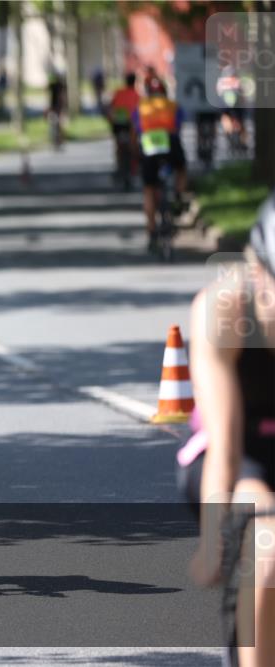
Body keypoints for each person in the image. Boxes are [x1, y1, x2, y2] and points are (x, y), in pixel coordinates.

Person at [178, 195, 275, 667]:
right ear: (258, 273)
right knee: (268, 545)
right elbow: (227, 446)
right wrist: (213, 539)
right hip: (240, 451)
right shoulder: (223, 310)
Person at [132, 76, 187, 252]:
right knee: (181, 168)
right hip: (170, 142)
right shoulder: (173, 105)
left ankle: (151, 231)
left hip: (149, 144)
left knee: (149, 188)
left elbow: (136, 130)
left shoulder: (140, 107)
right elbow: (178, 127)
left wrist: (136, 153)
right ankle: (178, 197)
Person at [106, 72, 140, 189]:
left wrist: (111, 122)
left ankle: (119, 164)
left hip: (118, 124)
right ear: (134, 82)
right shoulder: (137, 94)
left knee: (118, 146)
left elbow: (111, 107)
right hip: (130, 125)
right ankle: (133, 168)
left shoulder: (118, 93)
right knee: (133, 146)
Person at [47, 71, 67, 150]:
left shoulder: (60, 85)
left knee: (58, 125)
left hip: (57, 108)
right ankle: (56, 141)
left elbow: (62, 97)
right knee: (55, 125)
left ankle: (59, 141)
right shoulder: (54, 85)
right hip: (54, 107)